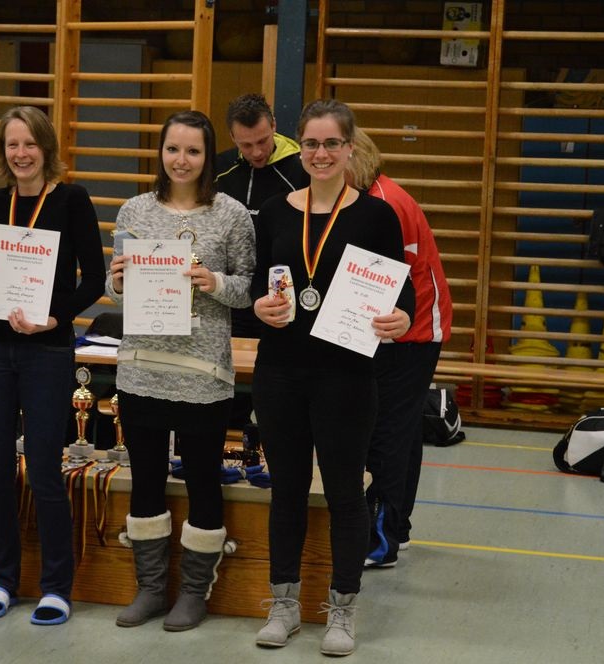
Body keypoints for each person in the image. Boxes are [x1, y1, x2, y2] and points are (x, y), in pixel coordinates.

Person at [250, 99, 414, 656]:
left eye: (332, 144)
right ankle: (284, 605)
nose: (321, 154)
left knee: (346, 494)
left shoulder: (375, 215)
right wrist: (258, 308)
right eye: (312, 144)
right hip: (280, 374)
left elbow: (403, 295)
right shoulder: (273, 212)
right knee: (287, 493)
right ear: (301, 147)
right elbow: (254, 288)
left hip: (346, 377)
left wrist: (401, 318)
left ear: (349, 149)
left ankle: (342, 610)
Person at [106, 110, 255, 632]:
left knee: (201, 481)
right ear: (161, 153)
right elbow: (113, 288)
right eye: (173, 149)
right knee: (145, 480)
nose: (182, 160)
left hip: (203, 373)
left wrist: (213, 281)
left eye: (193, 151)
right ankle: (150, 589)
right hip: (142, 368)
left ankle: (193, 593)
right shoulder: (134, 210)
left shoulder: (232, 214)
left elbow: (250, 288)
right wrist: (119, 280)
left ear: (207, 156)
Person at [0, 106, 105, 626]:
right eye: (11, 145)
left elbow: (94, 278)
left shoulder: (72, 201)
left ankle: (55, 588)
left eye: (29, 144)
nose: (20, 154)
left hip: (47, 350)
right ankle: (1, 581)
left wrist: (54, 318)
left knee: (45, 470)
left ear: (46, 148)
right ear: (3, 152)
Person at [347, 129, 453, 569]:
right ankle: (399, 530)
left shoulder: (385, 203)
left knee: (386, 432)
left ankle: (382, 540)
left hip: (411, 334)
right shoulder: (372, 195)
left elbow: (384, 280)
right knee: (403, 430)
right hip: (399, 330)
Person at [216, 93, 308, 339]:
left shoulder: (301, 170)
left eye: (263, 141)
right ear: (232, 137)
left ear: (274, 125)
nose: (256, 152)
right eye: (246, 145)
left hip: (282, 297)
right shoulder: (219, 169)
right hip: (231, 297)